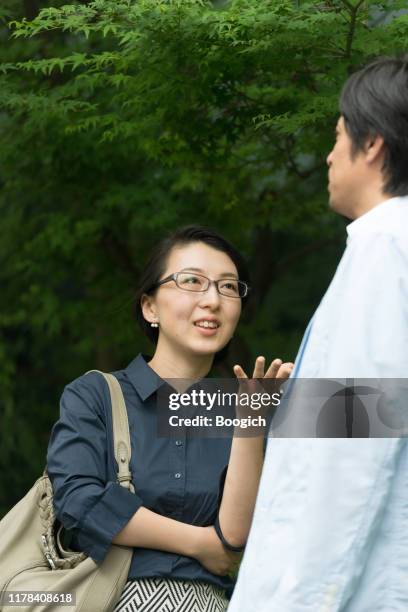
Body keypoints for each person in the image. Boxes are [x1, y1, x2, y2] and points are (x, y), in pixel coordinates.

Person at [228, 56, 408, 611]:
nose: (329, 155)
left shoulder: (385, 252)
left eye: (336, 136)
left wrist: (304, 599)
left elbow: (351, 453)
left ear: (372, 143)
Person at [46, 225, 293, 612]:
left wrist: (251, 421)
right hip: (111, 600)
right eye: (192, 281)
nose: (213, 299)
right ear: (150, 307)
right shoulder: (95, 394)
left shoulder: (244, 405)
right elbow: (79, 501)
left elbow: (234, 537)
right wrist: (197, 544)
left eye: (228, 287)